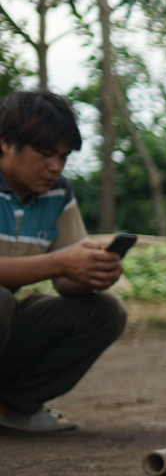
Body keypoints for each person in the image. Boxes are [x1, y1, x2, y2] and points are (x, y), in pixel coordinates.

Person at [0, 91, 127, 433]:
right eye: (44, 154)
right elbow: (58, 265)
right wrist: (60, 263)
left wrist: (92, 272)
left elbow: (65, 281)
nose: (55, 166)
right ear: (6, 143)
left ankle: (11, 408)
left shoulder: (58, 192)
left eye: (63, 156)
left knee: (105, 311)